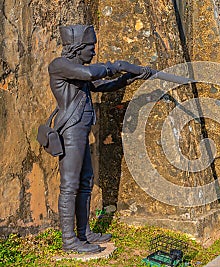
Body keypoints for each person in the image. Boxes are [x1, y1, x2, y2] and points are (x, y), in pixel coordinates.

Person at [48, 24, 152, 253]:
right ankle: (69, 240)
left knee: (85, 182)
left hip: (82, 131)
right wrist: (115, 66)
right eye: (90, 48)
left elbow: (103, 86)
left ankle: (84, 233)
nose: (94, 52)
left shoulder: (78, 70)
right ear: (77, 47)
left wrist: (130, 77)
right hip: (71, 130)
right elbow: (89, 74)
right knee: (70, 185)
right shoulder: (60, 65)